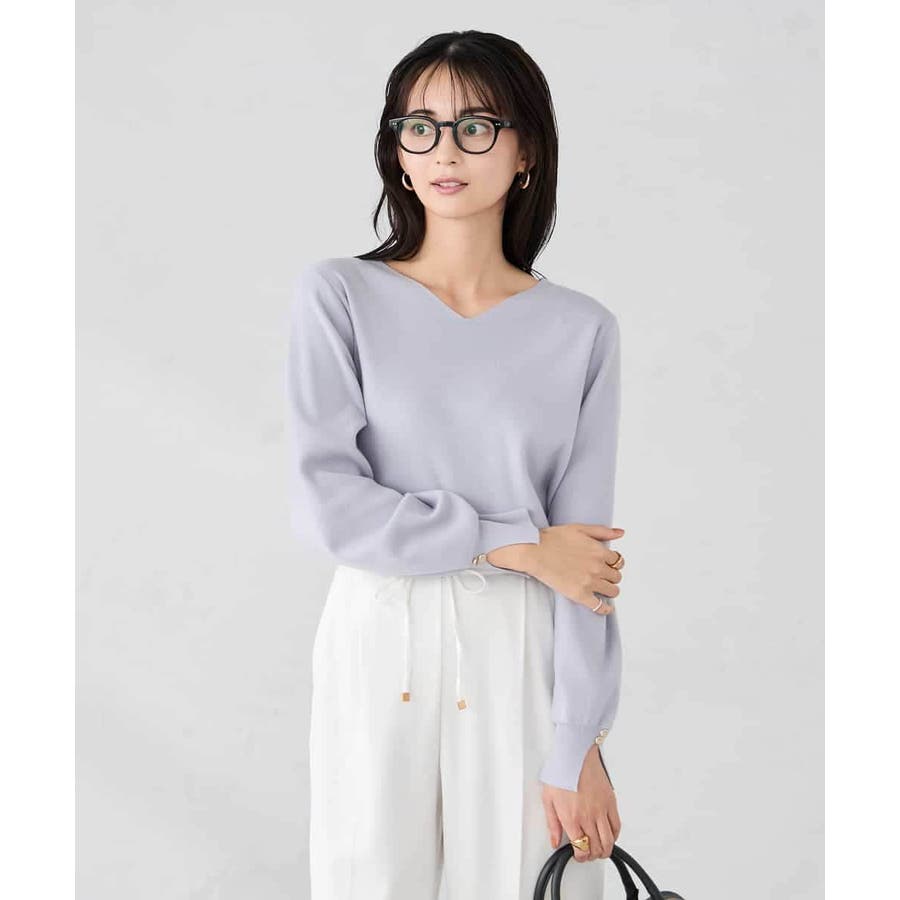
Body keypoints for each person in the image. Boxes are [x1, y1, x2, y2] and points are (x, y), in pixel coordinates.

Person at [286, 29, 627, 900]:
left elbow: (584, 563)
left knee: (526, 882)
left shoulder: (581, 330)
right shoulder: (340, 296)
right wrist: (516, 543)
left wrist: (580, 741)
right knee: (368, 881)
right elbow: (329, 505)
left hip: (520, 643)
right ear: (397, 153)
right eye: (421, 127)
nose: (445, 150)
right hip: (381, 629)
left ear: (526, 151)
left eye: (476, 126)